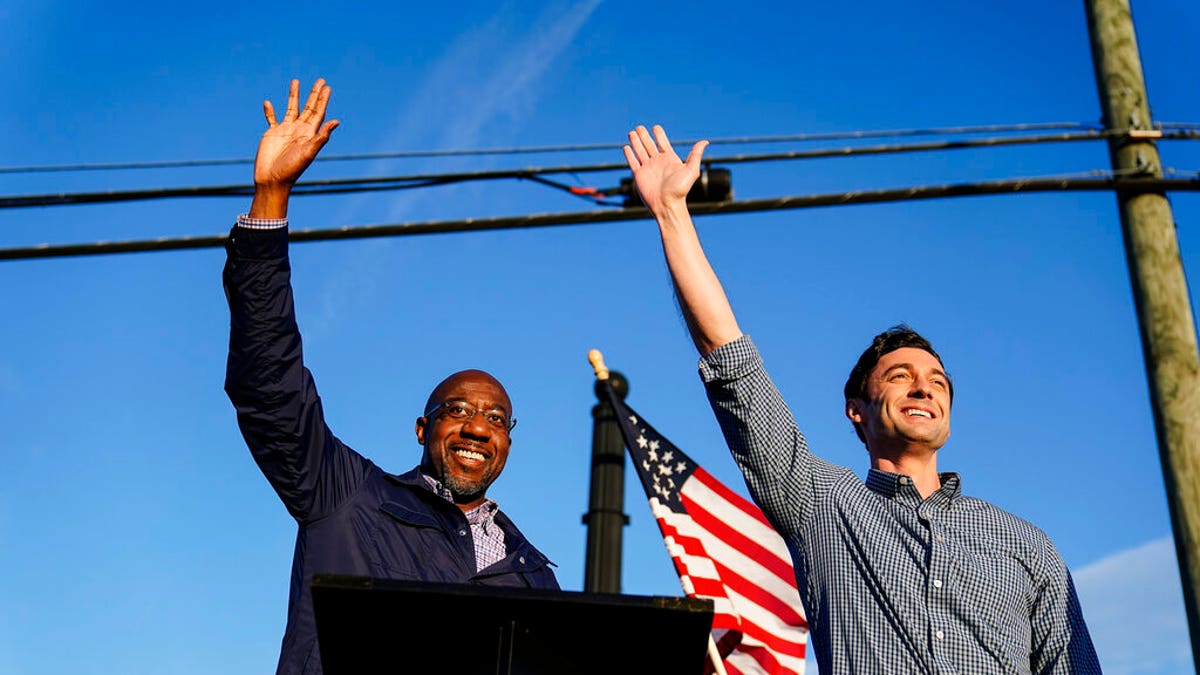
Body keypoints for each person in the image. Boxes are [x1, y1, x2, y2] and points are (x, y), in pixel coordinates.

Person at [622, 124, 1101, 674]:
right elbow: (731, 362)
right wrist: (671, 215)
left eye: (938, 381)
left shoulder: (1028, 546)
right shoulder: (821, 503)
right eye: (900, 376)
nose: (924, 386)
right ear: (858, 408)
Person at [223, 78, 559, 675]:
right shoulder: (345, 496)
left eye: (496, 419)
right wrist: (271, 197)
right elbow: (270, 383)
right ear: (422, 428)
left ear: (509, 441)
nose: (478, 427)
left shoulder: (532, 571)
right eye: (458, 410)